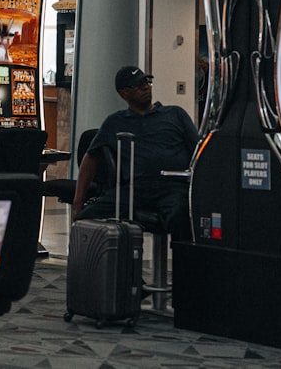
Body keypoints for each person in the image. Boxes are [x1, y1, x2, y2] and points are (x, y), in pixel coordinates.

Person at [72, 65, 199, 241]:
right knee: (87, 217)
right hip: (136, 188)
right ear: (124, 93)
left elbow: (199, 150)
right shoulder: (115, 122)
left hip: (173, 186)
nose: (145, 87)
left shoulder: (175, 114)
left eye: (146, 82)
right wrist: (78, 202)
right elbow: (90, 157)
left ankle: (185, 268)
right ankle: (102, 265)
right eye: (138, 85)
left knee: (181, 216)